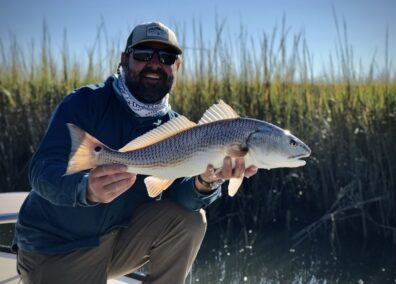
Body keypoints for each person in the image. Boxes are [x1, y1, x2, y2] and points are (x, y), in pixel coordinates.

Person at [14, 22, 257, 284]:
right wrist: (85, 189)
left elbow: (181, 196)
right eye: (143, 55)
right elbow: (41, 170)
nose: (155, 64)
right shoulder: (86, 102)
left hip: (116, 244)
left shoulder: (175, 126)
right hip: (54, 249)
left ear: (177, 67)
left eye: (166, 58)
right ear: (124, 60)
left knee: (191, 220)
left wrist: (206, 182)